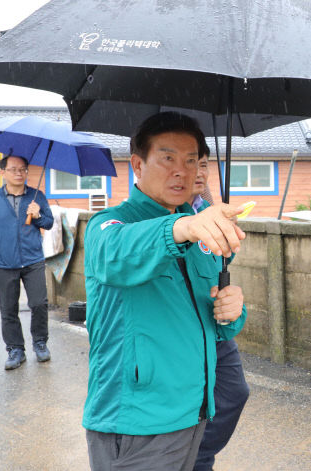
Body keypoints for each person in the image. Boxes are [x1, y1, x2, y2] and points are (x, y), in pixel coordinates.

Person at [83, 112, 248, 471]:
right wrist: (184, 225)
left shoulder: (199, 231)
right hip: (137, 422)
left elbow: (210, 321)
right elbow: (115, 255)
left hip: (193, 413)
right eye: (168, 158)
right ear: (138, 165)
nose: (182, 171)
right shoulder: (110, 224)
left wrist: (232, 311)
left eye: (191, 161)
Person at [190, 148, 250, 471]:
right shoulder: (175, 217)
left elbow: (218, 265)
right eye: (189, 163)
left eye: (203, 164)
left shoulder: (208, 207)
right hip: (187, 333)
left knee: (234, 393)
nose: (198, 172)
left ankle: (199, 454)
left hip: (214, 329)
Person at [0, 155, 54, 370]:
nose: (19, 173)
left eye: (23, 169)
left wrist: (37, 216)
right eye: (13, 169)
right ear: (3, 173)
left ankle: (40, 343)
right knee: (8, 309)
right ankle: (15, 349)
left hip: (33, 259)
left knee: (39, 304)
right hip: (4, 262)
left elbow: (49, 222)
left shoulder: (37, 196)